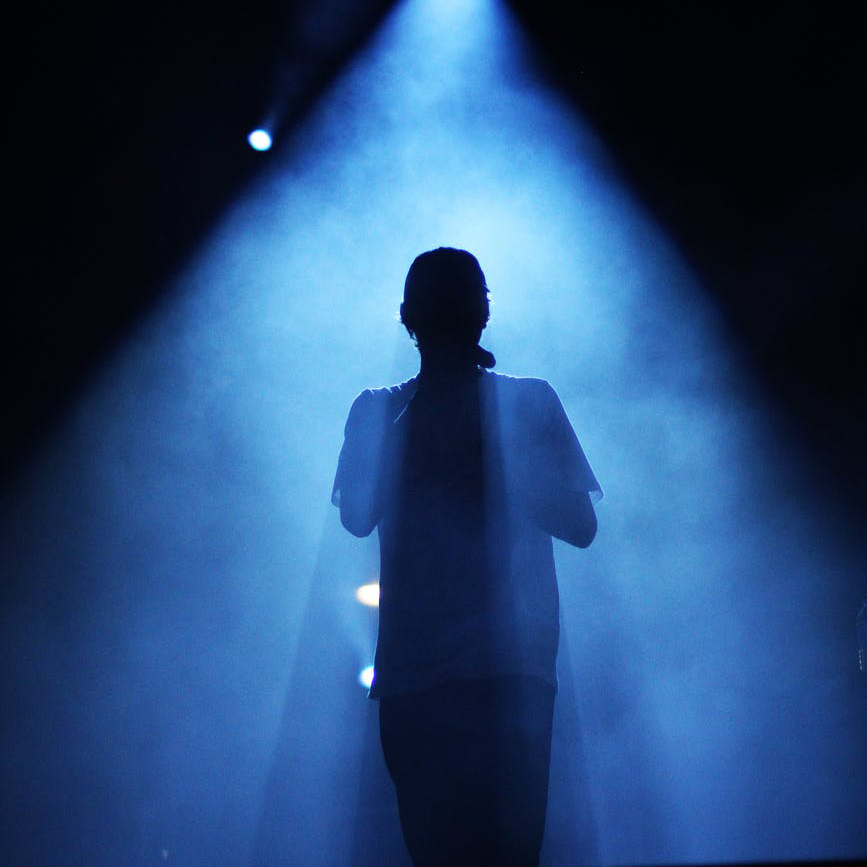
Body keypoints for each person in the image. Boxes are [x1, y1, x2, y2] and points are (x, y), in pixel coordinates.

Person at [332, 248, 602, 867]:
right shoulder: (379, 410)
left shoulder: (529, 402)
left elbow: (582, 526)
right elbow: (356, 515)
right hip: (431, 678)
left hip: (501, 675)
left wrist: (498, 455)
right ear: (483, 315)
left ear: (406, 317)